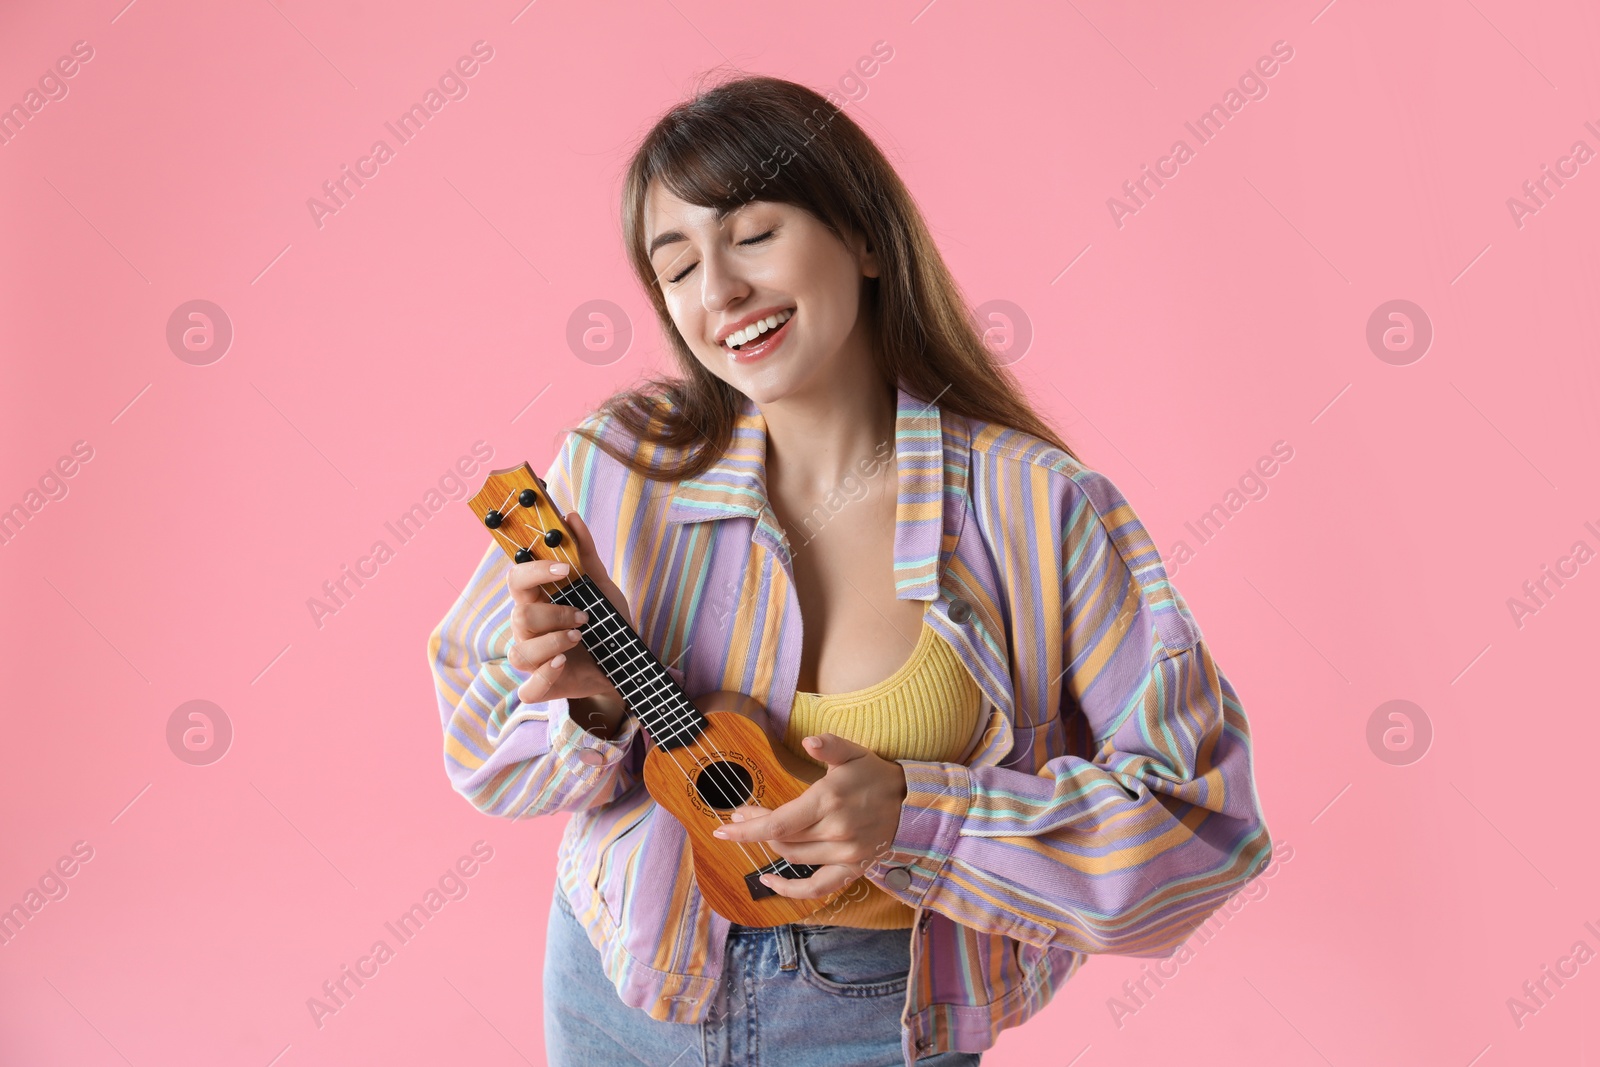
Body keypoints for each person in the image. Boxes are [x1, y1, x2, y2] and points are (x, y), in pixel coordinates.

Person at [428, 74, 1272, 1067]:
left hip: (872, 1016)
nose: (720, 291)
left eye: (752, 232)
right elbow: (486, 751)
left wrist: (921, 814)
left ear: (865, 239)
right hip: (622, 985)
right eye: (677, 265)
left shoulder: (1039, 509)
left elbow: (1197, 827)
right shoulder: (616, 466)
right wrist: (596, 710)